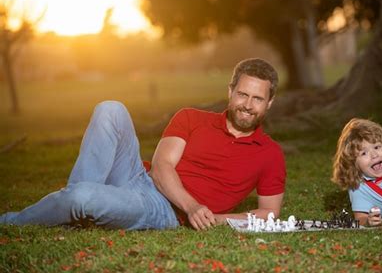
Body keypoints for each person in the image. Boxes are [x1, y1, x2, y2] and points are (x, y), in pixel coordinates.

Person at [0, 58, 286, 231]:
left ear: (269, 103)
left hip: (160, 210)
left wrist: (214, 218)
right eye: (242, 94)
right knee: (110, 108)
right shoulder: (191, 117)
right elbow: (162, 168)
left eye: (257, 99)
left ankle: (14, 220)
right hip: (140, 178)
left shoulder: (270, 154)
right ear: (230, 91)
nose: (247, 105)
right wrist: (194, 205)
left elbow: (269, 213)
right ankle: (80, 206)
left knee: (82, 196)